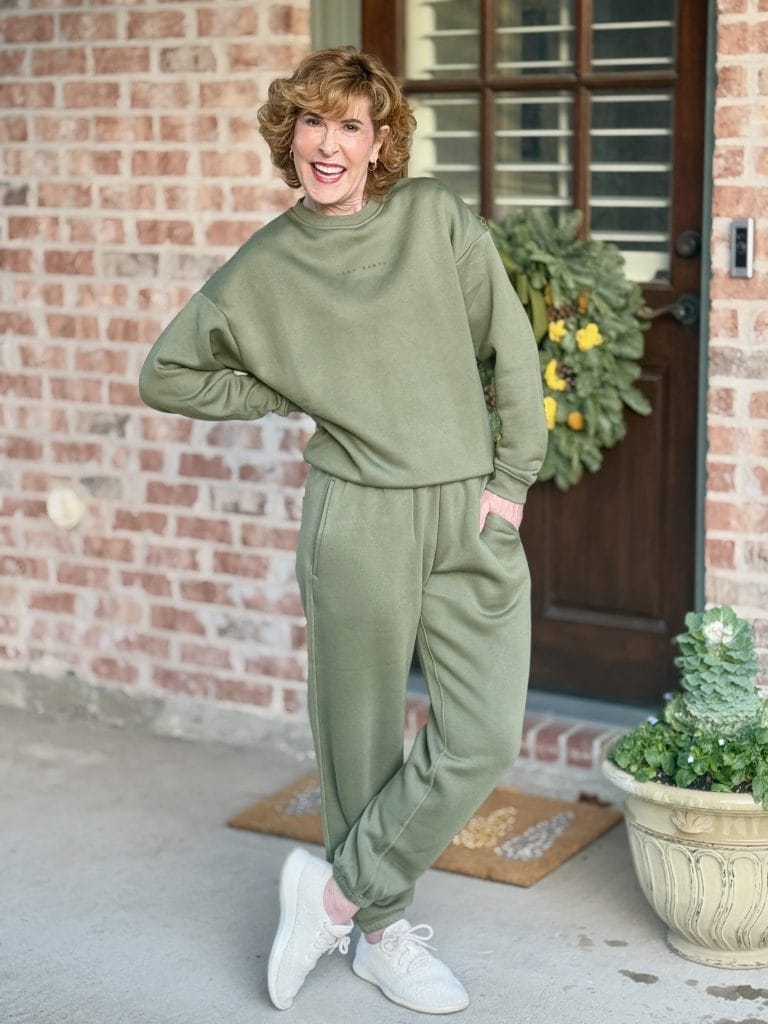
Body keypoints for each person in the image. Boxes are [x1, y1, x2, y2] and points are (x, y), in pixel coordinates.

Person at [139, 47, 547, 1016]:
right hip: (355, 516)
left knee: (482, 735)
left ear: (381, 141)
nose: (329, 143)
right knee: (358, 741)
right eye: (313, 124)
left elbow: (512, 345)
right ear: (292, 137)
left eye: (351, 125)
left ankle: (330, 893)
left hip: (468, 508)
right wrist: (295, 383)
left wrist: (512, 480)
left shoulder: (436, 220)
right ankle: (380, 935)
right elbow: (169, 374)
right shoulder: (269, 265)